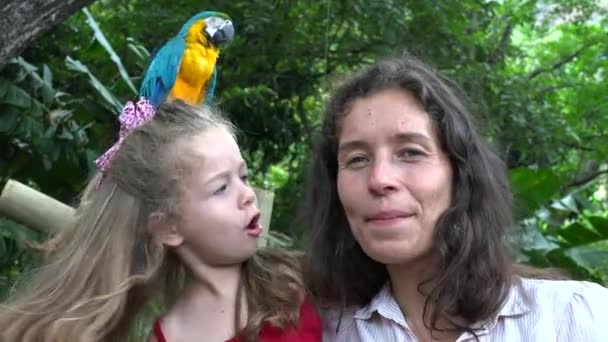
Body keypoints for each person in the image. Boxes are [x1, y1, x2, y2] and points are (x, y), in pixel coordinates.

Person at [304, 55, 608, 341]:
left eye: (411, 152)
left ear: (460, 174)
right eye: (357, 159)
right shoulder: (327, 332)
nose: (380, 179)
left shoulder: (575, 317)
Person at [0, 100, 321, 342]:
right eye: (221, 188)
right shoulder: (170, 335)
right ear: (168, 228)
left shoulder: (299, 279)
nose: (248, 194)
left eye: (243, 175)